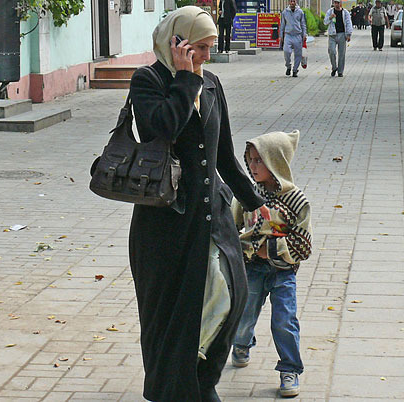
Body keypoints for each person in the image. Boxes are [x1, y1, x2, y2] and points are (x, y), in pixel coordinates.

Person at [129, 6, 269, 402]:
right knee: (173, 314)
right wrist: (185, 78)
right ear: (178, 43)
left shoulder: (212, 83)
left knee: (232, 297)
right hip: (166, 224)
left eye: (209, 48)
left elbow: (223, 153)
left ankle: (201, 381)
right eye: (201, 47)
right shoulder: (148, 80)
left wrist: (253, 200)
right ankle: (177, 389)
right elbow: (162, 128)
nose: (207, 55)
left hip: (213, 216)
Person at [230, 130, 313, 398]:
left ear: (276, 162)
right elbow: (232, 228)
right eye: (250, 160)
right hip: (251, 270)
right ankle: (241, 344)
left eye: (259, 160)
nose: (252, 167)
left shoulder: (297, 201)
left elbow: (304, 246)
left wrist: (271, 249)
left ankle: (289, 369)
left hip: (283, 273)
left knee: (284, 321)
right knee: (244, 314)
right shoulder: (247, 195)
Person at [324, 0, 353, 77]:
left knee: (341, 54)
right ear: (333, 3)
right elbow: (325, 22)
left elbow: (348, 23)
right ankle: (334, 67)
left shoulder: (345, 12)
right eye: (335, 3)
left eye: (338, 3)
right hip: (332, 35)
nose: (337, 4)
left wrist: (349, 34)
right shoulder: (330, 12)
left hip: (342, 35)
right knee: (332, 52)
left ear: (341, 3)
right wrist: (330, 17)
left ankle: (340, 71)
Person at [280, 0, 307, 77]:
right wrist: (281, 35)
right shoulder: (285, 12)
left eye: (294, 1)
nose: (292, 3)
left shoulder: (300, 12)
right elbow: (282, 24)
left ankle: (295, 70)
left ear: (296, 2)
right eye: (291, 1)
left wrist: (304, 34)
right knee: (286, 51)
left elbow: (303, 24)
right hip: (288, 35)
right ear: (289, 2)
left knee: (298, 54)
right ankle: (288, 66)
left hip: (297, 35)